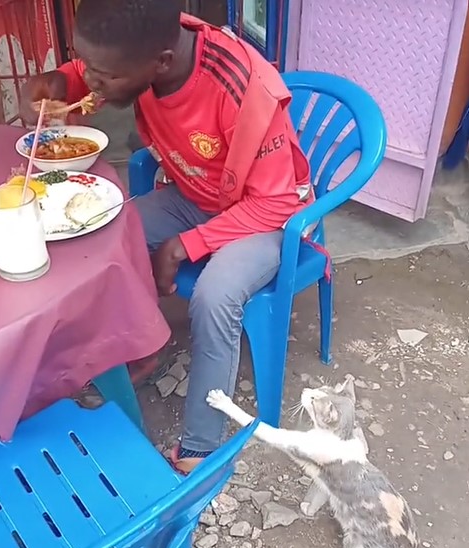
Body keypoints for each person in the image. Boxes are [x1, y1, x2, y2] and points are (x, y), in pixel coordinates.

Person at [21, 0, 312, 474]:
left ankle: (202, 446)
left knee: (216, 295)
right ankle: (137, 349)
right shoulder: (139, 49)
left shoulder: (241, 87)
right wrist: (60, 81)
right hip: (200, 195)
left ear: (161, 62)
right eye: (87, 66)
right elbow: (91, 67)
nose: (90, 83)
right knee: (110, 232)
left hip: (266, 212)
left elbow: (276, 202)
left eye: (102, 75)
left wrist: (186, 245)